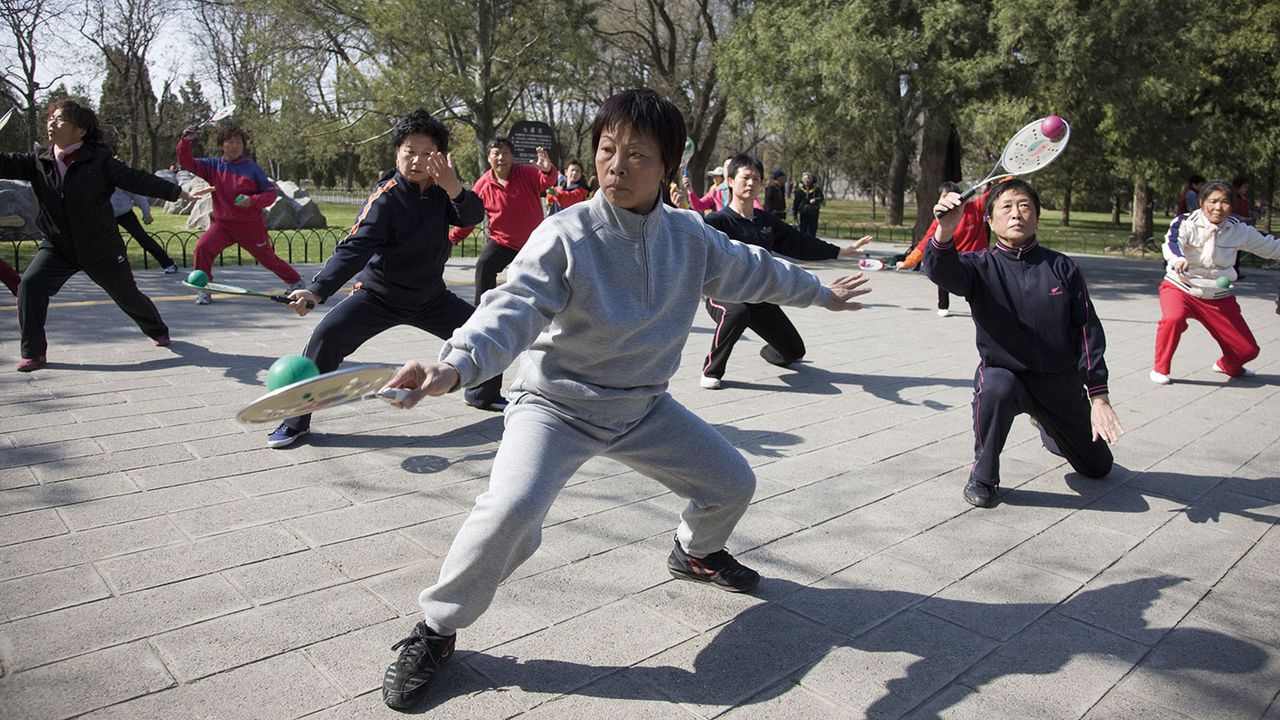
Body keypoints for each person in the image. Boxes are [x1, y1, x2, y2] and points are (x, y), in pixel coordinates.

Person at [375, 88, 871, 710]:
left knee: (731, 483)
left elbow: (757, 268)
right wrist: (452, 366)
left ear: (669, 168)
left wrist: (821, 294)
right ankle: (436, 630)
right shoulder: (565, 233)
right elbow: (514, 307)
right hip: (555, 407)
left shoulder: (691, 236)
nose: (616, 166)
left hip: (641, 408)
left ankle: (695, 554)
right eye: (608, 151)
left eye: (637, 155)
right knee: (510, 510)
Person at [265, 110, 505, 448]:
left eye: (426, 153)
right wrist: (317, 291)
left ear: (438, 157)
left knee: (486, 333)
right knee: (326, 336)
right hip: (379, 297)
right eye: (409, 151)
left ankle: (482, 394)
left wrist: (454, 187)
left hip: (430, 298)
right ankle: (296, 422)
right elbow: (354, 247)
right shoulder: (386, 197)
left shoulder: (441, 190)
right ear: (397, 152)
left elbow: (472, 214)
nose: (417, 161)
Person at [924, 179, 1122, 509]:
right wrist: (945, 230)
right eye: (1006, 207)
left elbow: (1087, 329)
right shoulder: (980, 266)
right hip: (1006, 377)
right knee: (995, 387)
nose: (1017, 213)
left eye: (1025, 206)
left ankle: (1048, 425)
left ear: (1037, 217)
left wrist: (1099, 397)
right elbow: (941, 271)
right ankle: (984, 475)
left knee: (1099, 468)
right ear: (990, 220)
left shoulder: (1063, 267)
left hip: (1059, 383)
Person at [1, 100, 190, 372]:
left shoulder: (99, 159)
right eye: (50, 118)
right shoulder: (38, 160)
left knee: (127, 295)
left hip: (100, 247)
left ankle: (157, 329)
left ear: (79, 130)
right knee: (30, 286)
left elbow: (135, 179)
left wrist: (178, 193)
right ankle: (34, 353)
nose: (51, 124)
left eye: (60, 120)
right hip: (58, 246)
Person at [699, 153, 872, 389]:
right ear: (730, 181)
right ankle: (712, 369)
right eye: (746, 177)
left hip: (760, 294)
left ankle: (766, 351)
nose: (752, 183)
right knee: (736, 313)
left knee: (793, 352)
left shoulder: (766, 221)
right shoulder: (717, 222)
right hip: (724, 293)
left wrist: (842, 251)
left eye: (757, 178)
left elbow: (799, 242)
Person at [1150, 180, 1280, 385]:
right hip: (1181, 287)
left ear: (1232, 205)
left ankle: (1227, 365)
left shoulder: (1240, 230)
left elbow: (1270, 247)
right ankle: (1160, 368)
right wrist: (1178, 260)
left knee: (1248, 350)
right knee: (1174, 318)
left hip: (1218, 295)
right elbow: (1172, 242)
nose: (1218, 207)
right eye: (1213, 201)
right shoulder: (1186, 222)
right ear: (1202, 202)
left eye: (1225, 202)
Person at [178, 122, 304, 305]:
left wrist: (252, 201)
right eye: (230, 141)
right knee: (202, 248)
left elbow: (270, 194)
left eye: (238, 142)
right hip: (222, 225)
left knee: (268, 260)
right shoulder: (213, 166)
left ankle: (296, 281)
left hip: (250, 226)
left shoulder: (251, 168)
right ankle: (204, 290)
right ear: (221, 145)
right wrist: (185, 141)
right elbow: (186, 162)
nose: (235, 146)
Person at [448, 137, 557, 319]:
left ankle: (549, 313)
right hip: (502, 243)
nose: (501, 158)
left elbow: (546, 181)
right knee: (484, 264)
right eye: (496, 153)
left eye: (505, 153)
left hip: (532, 243)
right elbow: (471, 217)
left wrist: (547, 170)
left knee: (547, 278)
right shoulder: (482, 185)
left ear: (512, 156)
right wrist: (452, 238)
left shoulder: (527, 172)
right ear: (489, 157)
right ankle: (482, 312)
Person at [897, 180, 992, 317]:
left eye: (948, 196)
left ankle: (983, 308)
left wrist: (1009, 178)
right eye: (943, 196)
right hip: (954, 258)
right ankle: (943, 306)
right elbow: (925, 242)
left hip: (976, 260)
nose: (944, 200)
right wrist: (907, 262)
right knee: (941, 272)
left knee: (980, 287)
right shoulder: (941, 220)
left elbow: (991, 195)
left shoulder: (975, 207)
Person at [111, 186, 178, 272]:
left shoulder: (117, 175)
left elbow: (135, 194)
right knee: (110, 242)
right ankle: (115, 268)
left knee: (142, 238)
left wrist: (146, 213)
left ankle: (168, 264)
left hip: (124, 213)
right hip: (104, 214)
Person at [792, 171, 824, 236]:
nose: (806, 181)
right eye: (805, 179)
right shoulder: (800, 191)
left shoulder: (816, 189)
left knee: (812, 231)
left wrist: (815, 200)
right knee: (803, 230)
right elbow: (796, 203)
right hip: (803, 213)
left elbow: (821, 198)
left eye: (808, 179)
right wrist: (795, 214)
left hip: (813, 213)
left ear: (811, 180)